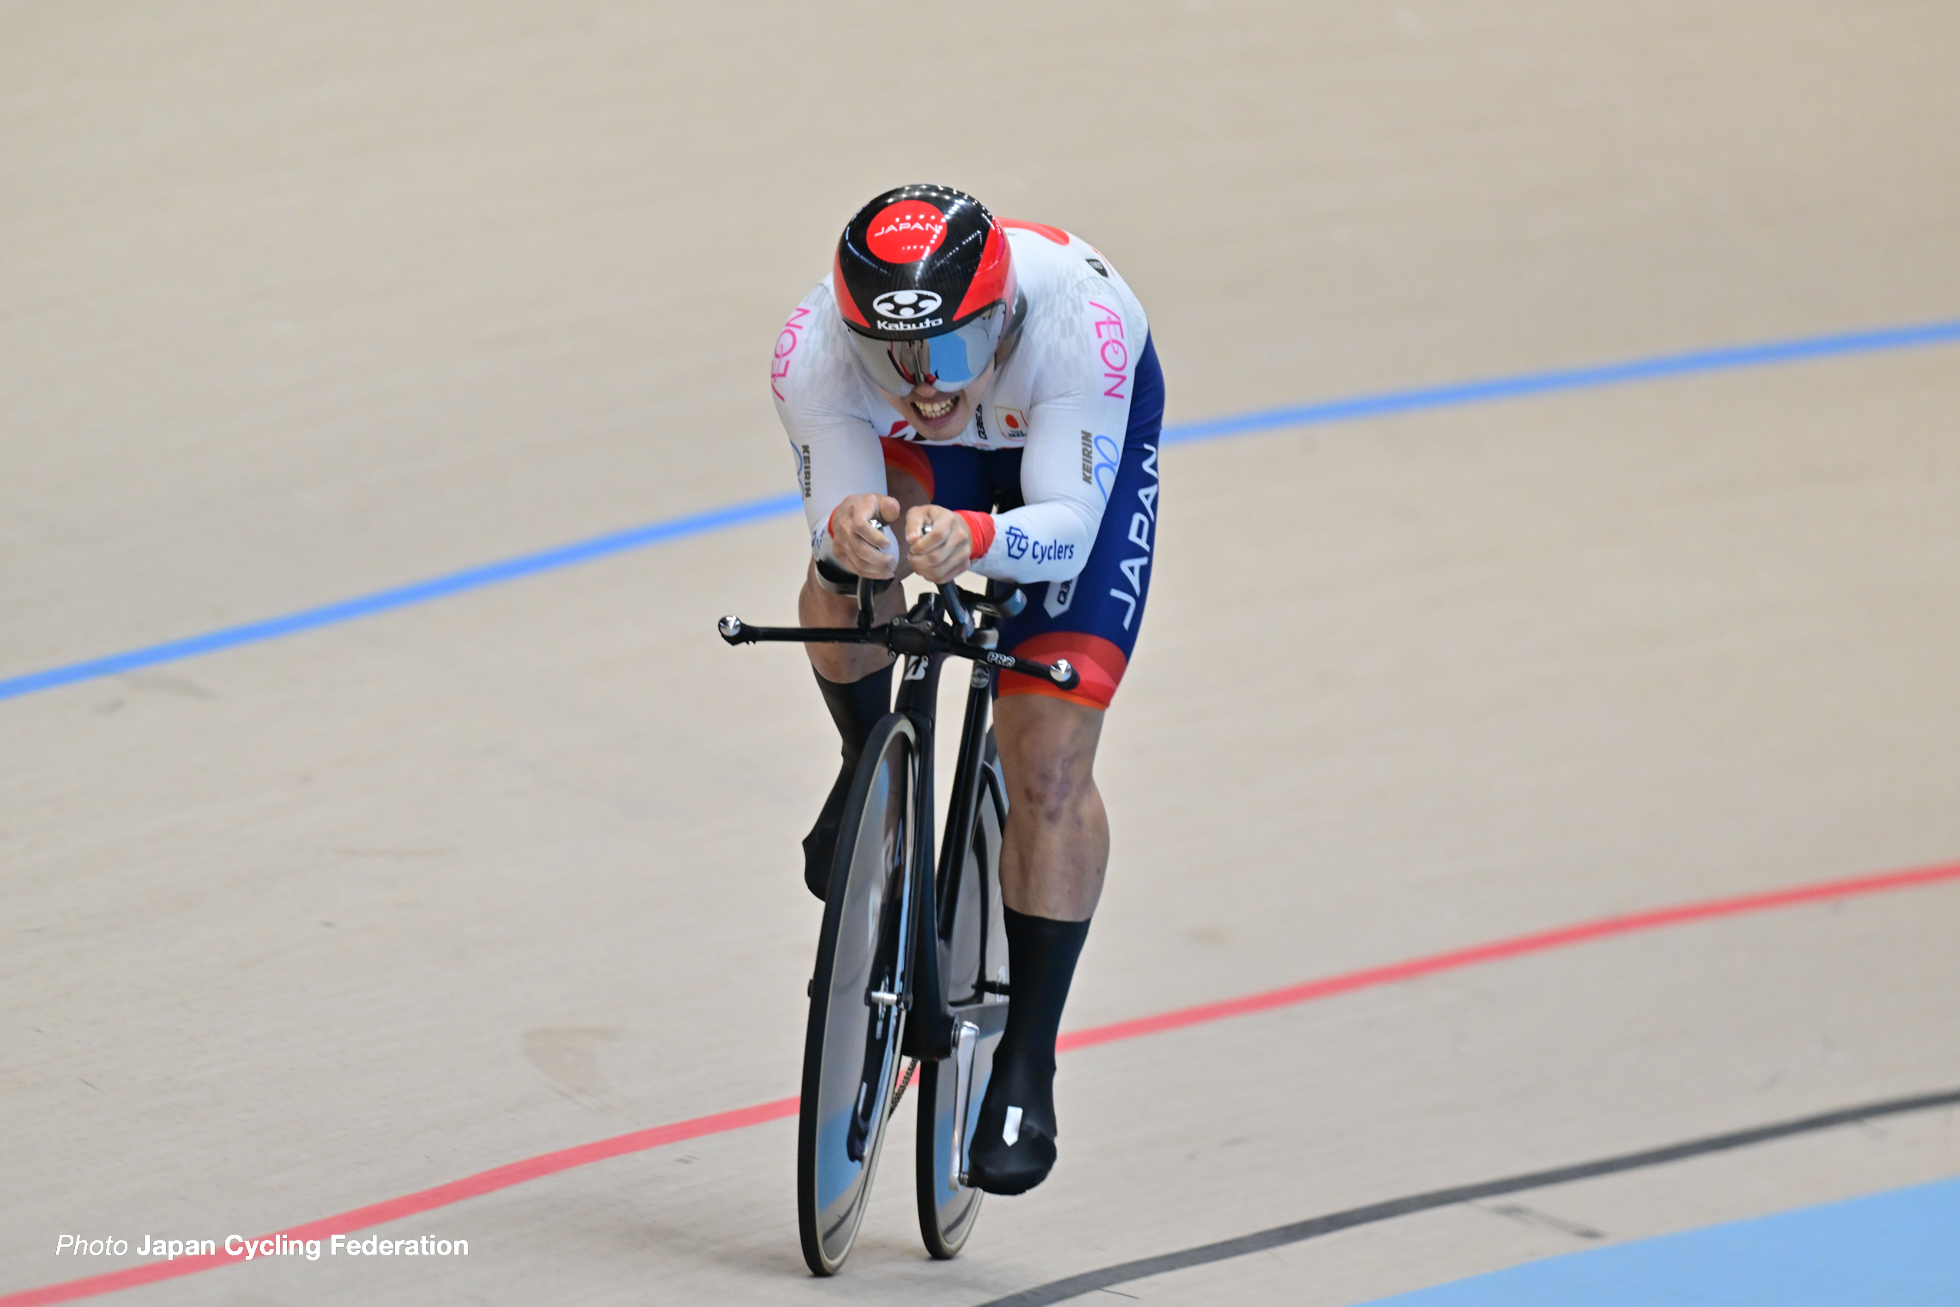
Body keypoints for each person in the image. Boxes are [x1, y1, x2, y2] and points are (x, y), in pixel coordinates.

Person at [769, 183, 1162, 1196]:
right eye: (890, 359)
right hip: (937, 469)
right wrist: (860, 531)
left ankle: (1027, 1057)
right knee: (848, 568)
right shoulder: (812, 345)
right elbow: (840, 524)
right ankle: (873, 776)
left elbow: (1068, 524)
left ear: (1002, 316)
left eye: (946, 351)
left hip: (1054, 463)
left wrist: (980, 539)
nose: (923, 383)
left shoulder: (1082, 325)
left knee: (1048, 763)